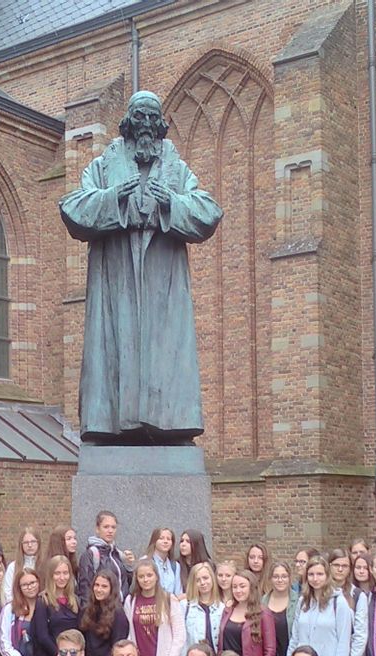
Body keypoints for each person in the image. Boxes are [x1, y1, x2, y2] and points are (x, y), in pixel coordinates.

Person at [59, 89, 223, 445]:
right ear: (128, 123)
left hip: (162, 287)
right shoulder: (103, 167)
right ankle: (113, 425)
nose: (146, 124)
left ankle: (168, 425)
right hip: (115, 281)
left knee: (164, 361)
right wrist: (112, 198)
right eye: (140, 117)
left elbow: (209, 213)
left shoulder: (177, 170)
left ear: (160, 125)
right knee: (114, 359)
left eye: (152, 117)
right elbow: (71, 210)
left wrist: (173, 205)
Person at [286, 557, 352, 656]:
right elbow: (295, 638)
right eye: (311, 574)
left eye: (320, 574)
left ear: (327, 575)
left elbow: (344, 641)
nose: (315, 579)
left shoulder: (338, 602)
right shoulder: (302, 602)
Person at [124, 557, 185, 656]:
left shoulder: (169, 599)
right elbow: (129, 633)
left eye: (149, 575)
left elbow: (179, 635)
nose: (145, 580)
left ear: (156, 576)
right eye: (141, 576)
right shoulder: (131, 601)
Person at [219, 570, 276, 656]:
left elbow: (270, 650)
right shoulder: (227, 610)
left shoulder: (263, 613)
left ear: (251, 588)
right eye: (234, 587)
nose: (238, 590)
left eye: (242, 586)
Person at [32, 555, 80, 656]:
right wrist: (60, 655)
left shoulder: (75, 601)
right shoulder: (43, 601)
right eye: (57, 573)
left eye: (65, 573)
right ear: (51, 575)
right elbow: (42, 635)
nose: (62, 577)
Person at [79, 570, 130, 656]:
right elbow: (80, 639)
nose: (99, 589)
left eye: (104, 586)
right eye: (96, 585)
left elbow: (116, 647)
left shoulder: (118, 615)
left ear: (112, 589)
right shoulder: (85, 610)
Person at [77, 511, 135, 603]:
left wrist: (129, 566)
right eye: (106, 527)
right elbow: (85, 590)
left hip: (120, 610)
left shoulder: (117, 553)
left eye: (113, 527)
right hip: (101, 611)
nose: (110, 531)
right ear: (97, 529)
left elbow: (124, 584)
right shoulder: (90, 554)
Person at [263, 560, 295, 656]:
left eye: (284, 576)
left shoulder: (299, 601)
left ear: (290, 578)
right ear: (270, 578)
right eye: (276, 576)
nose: (280, 580)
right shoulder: (262, 602)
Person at [180, 562, 224, 654]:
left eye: (205, 578)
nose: (202, 583)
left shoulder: (221, 607)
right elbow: (181, 640)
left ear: (212, 578)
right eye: (198, 580)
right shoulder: (185, 606)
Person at [3, 527, 42, 604]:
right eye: (26, 542)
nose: (30, 545)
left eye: (33, 541)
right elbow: (8, 592)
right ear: (21, 545)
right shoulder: (13, 567)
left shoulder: (45, 565)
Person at [146, 527, 183, 596]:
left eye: (168, 539)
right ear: (154, 541)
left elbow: (178, 592)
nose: (165, 541)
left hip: (171, 604)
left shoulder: (175, 566)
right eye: (161, 538)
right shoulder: (145, 561)